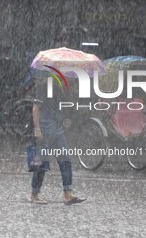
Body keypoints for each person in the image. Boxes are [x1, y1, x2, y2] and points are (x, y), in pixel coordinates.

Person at [31, 75, 86, 205]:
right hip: (45, 129)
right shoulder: (44, 85)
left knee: (65, 160)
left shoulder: (60, 87)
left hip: (57, 129)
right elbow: (36, 107)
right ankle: (34, 194)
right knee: (41, 164)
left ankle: (68, 193)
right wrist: (37, 129)